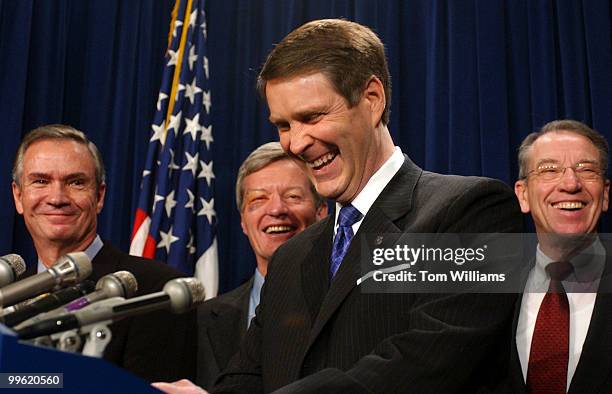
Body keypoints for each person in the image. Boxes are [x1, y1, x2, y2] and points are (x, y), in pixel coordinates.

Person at [154, 18, 522, 394]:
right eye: (283, 125)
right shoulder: (292, 257)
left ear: (372, 99)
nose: (296, 144)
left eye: (312, 117)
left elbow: (422, 363)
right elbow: (248, 375)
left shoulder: (471, 211)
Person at [11, 124, 197, 382]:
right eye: (41, 181)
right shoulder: (8, 297)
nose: (57, 197)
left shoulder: (156, 291)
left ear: (99, 197)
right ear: (18, 197)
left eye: (75, 182)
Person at [195, 142, 327, 388]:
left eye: (293, 196)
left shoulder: (351, 302)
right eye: (258, 199)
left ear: (322, 212)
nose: (277, 209)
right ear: (244, 222)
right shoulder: (202, 321)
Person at [505, 119, 612, 393]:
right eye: (549, 170)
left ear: (605, 195)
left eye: (586, 170)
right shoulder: (491, 290)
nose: (571, 183)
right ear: (524, 195)